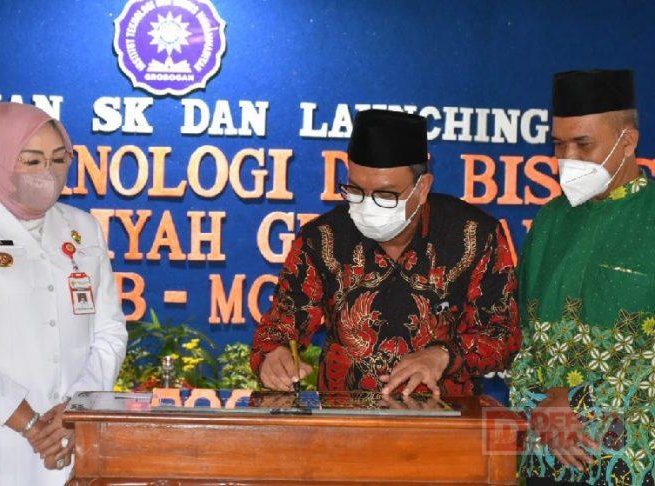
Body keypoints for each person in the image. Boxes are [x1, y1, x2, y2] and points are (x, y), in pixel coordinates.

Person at [251, 109, 521, 397]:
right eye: (356, 190)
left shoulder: (474, 236)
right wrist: (274, 354)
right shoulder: (323, 238)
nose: (368, 206)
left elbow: (504, 338)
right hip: (344, 415)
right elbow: (279, 328)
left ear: (422, 188)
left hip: (445, 416)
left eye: (385, 194)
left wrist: (445, 354)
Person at [0, 103, 128, 485]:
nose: (48, 173)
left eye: (58, 159)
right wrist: (32, 425)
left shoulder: (83, 227)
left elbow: (110, 332)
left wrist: (75, 410)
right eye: (32, 161)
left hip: (70, 438)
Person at [508, 69, 654, 486]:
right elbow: (520, 332)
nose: (567, 157)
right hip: (544, 455)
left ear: (627, 141)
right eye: (559, 144)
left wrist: (579, 401)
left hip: (632, 458)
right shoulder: (550, 219)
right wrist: (540, 404)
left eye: (583, 144)